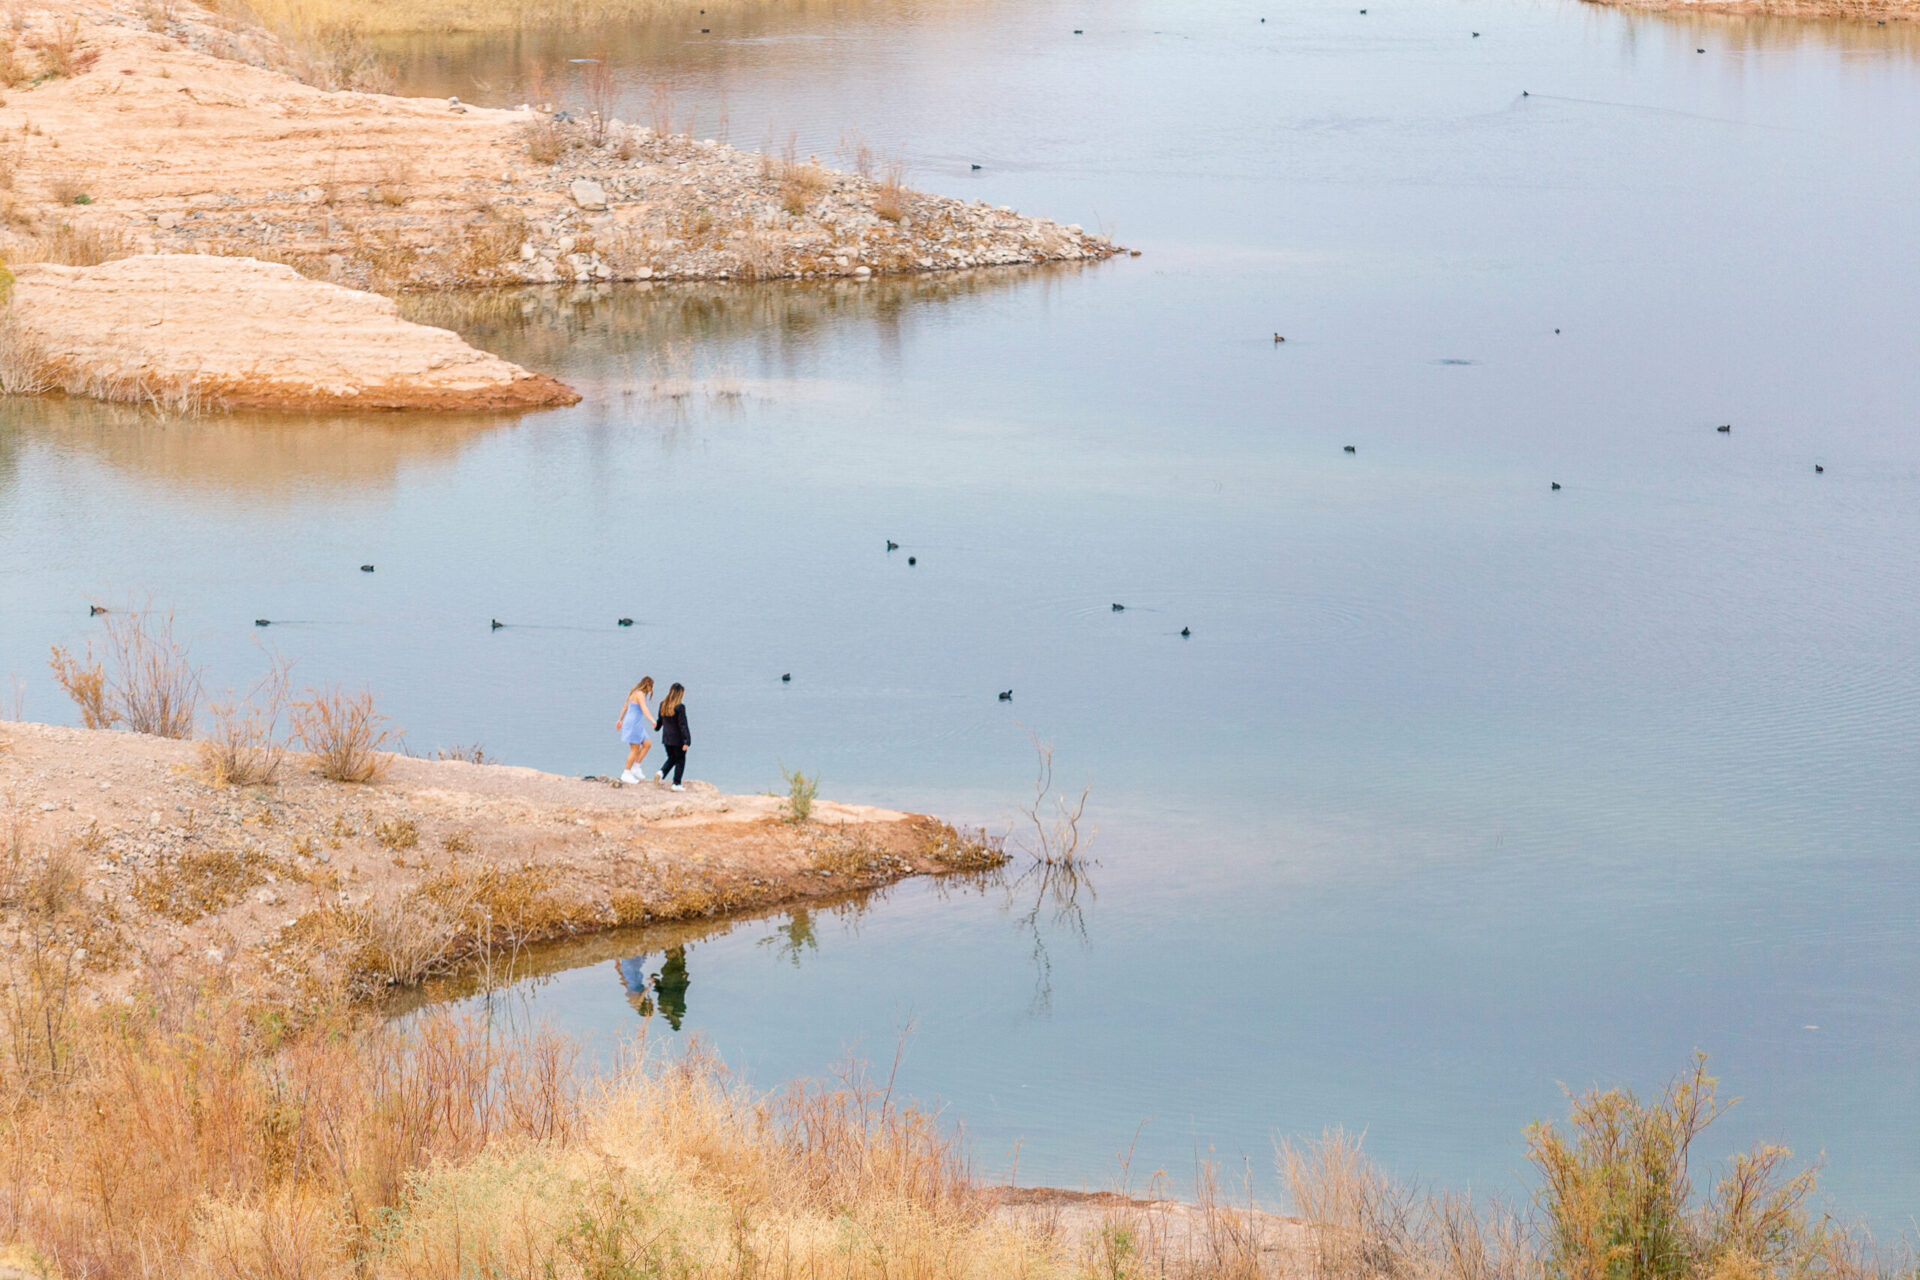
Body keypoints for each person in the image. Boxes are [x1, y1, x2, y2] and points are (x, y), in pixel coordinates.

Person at [617, 677, 656, 784]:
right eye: (651, 687)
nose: (650, 690)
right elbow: (644, 709)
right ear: (647, 685)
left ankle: (636, 767)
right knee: (634, 749)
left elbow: (625, 707)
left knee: (647, 744)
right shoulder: (640, 694)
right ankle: (626, 773)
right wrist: (653, 720)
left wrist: (620, 720)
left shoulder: (633, 692)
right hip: (633, 724)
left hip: (636, 724)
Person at [654, 682, 690, 790]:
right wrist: (687, 741)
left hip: (666, 739)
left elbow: (660, 721)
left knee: (672, 758)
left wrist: (656, 728)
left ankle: (661, 772)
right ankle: (676, 783)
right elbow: (683, 725)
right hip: (678, 740)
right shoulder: (680, 707)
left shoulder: (663, 704)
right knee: (680, 760)